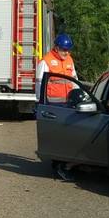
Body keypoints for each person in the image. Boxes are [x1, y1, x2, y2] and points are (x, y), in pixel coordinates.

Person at [36, 33, 79, 181]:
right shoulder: (46, 61)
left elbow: (74, 79)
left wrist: (78, 96)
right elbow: (39, 83)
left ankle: (62, 164)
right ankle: (59, 166)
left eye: (68, 50)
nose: (66, 53)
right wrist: (40, 103)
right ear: (56, 47)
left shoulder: (69, 60)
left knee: (66, 135)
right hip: (52, 104)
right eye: (63, 50)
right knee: (57, 136)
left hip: (67, 103)